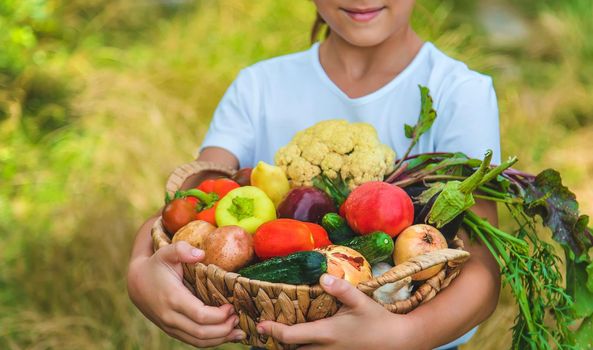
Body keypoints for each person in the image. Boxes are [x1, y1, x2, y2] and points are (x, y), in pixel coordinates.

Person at [127, 1, 501, 348]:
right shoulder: (259, 87)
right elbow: (193, 196)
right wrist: (140, 272)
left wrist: (403, 334)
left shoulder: (459, 93)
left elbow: (482, 269)